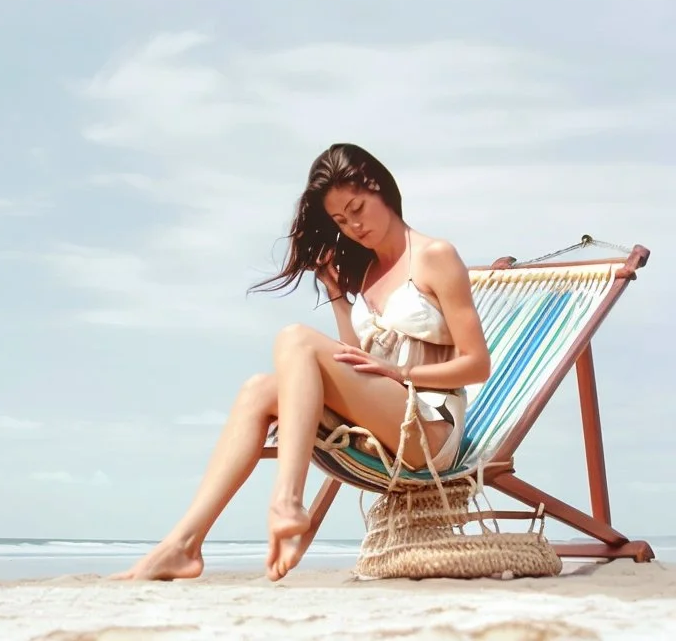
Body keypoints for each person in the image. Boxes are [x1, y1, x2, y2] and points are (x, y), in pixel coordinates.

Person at [112, 143, 491, 583]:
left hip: (429, 430)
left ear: (381, 189)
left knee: (296, 340)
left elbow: (477, 364)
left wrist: (402, 374)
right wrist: (337, 296)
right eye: (340, 220)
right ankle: (181, 546)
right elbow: (361, 362)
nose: (353, 226)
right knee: (258, 389)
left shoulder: (435, 256)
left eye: (357, 208)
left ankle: (288, 501)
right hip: (388, 419)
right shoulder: (367, 272)